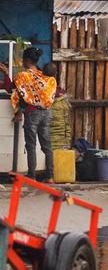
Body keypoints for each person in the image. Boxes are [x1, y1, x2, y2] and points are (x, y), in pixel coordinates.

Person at [11, 47, 56, 180]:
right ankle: (50, 177)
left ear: (26, 60)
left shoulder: (23, 76)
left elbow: (12, 89)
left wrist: (6, 73)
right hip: (47, 113)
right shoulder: (46, 76)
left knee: (31, 145)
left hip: (32, 114)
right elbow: (53, 91)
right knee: (47, 146)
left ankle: (32, 176)